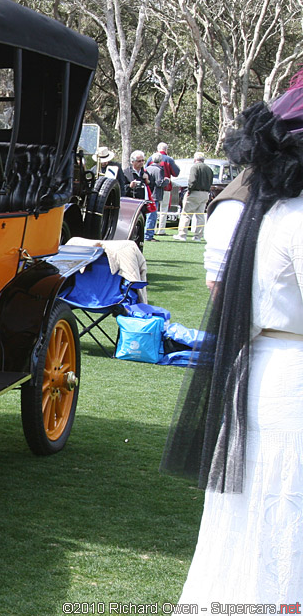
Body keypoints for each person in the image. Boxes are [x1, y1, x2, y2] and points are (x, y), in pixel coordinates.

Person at [162, 75, 303, 606]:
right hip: (290, 378)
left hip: (260, 370)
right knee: (282, 515)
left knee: (254, 517)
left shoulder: (260, 213)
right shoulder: (293, 218)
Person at [174, 152, 214, 241]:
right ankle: (198, 236)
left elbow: (192, 180)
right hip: (205, 194)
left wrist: (189, 190)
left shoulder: (195, 167)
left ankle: (182, 235)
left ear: (195, 159)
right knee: (200, 215)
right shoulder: (209, 169)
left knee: (186, 214)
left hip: (195, 193)